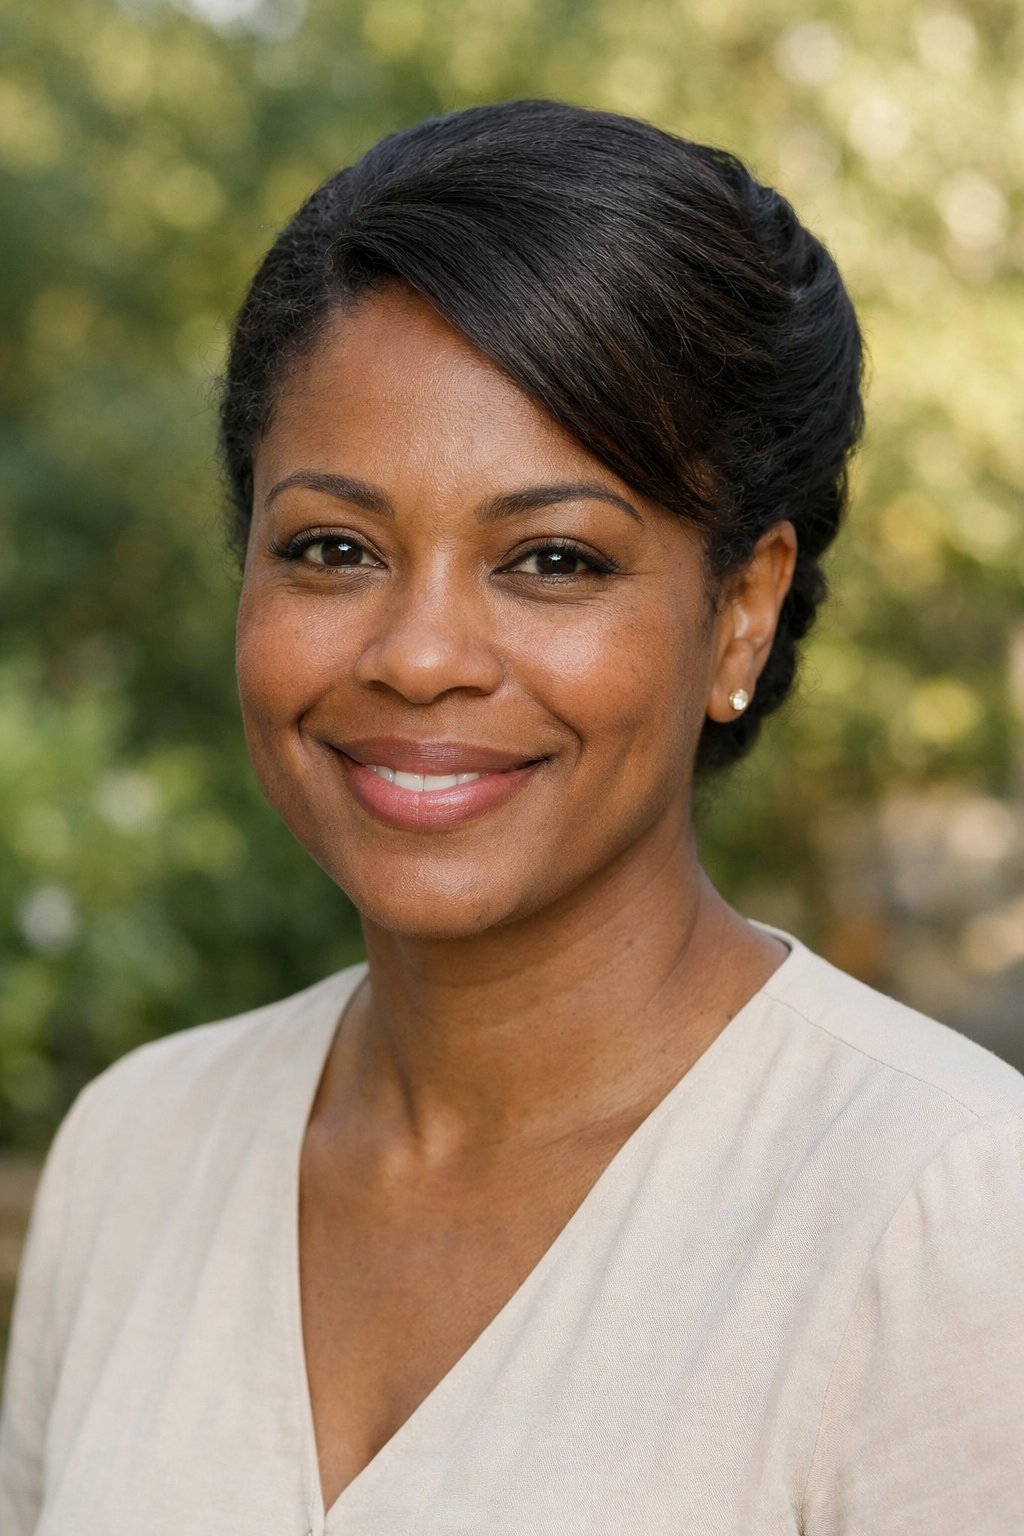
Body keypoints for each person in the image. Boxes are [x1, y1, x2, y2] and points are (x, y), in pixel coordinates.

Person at [1, 99, 1022, 1536]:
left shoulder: (945, 1210)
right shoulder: (138, 1152)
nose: (419, 655)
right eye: (333, 548)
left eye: (550, 558)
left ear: (742, 609)